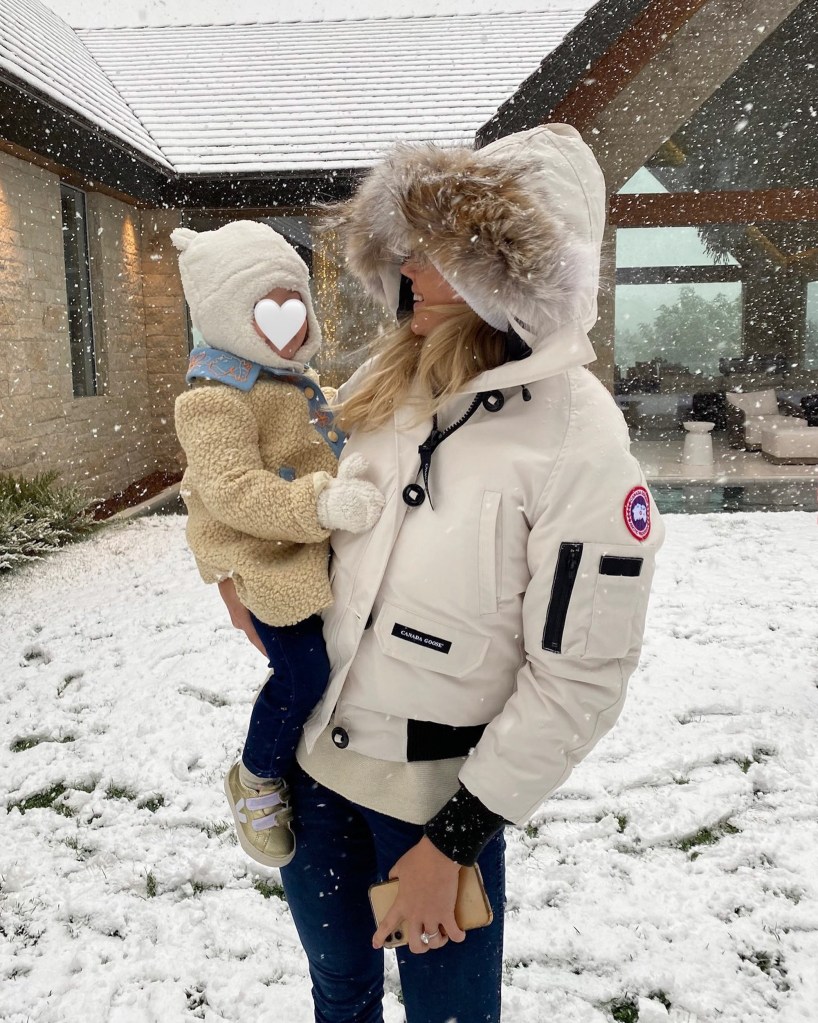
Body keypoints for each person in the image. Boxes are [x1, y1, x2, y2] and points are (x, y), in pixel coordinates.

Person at [221, 125, 665, 1023]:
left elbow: (580, 676)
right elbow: (306, 519)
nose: (412, 270)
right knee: (338, 994)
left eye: (445, 251)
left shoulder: (580, 441)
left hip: (439, 810)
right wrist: (247, 574)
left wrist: (451, 843)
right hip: (316, 763)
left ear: (518, 278)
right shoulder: (383, 393)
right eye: (411, 245)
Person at [172, 220, 383, 869]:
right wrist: (317, 501)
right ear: (227, 315)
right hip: (258, 554)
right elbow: (235, 489)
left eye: (297, 305)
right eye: (268, 310)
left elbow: (321, 424)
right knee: (302, 670)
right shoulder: (212, 401)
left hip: (302, 549)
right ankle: (256, 774)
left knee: (338, 661)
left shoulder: (292, 381)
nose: (291, 325)